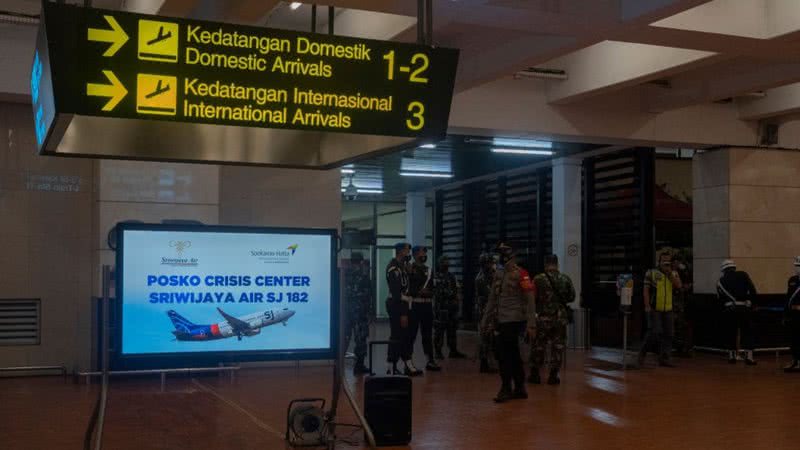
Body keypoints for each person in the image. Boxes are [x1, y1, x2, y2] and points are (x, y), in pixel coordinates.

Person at [480, 243, 536, 403]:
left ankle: (506, 387)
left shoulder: (521, 274)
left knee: (505, 355)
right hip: (500, 320)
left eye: (501, 254)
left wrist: (531, 325)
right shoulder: (498, 274)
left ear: (509, 255)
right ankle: (519, 387)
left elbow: (530, 300)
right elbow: (492, 299)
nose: (498, 257)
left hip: (514, 320)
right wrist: (485, 320)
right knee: (512, 354)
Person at [529, 254, 575, 386]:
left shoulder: (538, 279)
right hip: (560, 319)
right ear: (557, 264)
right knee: (558, 346)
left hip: (543, 318)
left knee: (538, 345)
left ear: (545, 263)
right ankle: (553, 376)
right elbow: (571, 297)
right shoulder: (565, 278)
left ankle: (535, 374)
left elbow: (532, 297)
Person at [638, 252, 682, 368]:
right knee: (654, 332)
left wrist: (669, 275)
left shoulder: (674, 273)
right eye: (664, 261)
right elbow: (646, 290)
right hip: (654, 308)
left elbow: (678, 286)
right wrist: (647, 305)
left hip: (668, 308)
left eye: (668, 261)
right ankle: (642, 353)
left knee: (669, 334)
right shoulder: (651, 273)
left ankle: (664, 358)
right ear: (659, 261)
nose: (666, 263)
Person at [385, 242, 421, 376]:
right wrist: (403, 313)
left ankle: (407, 362)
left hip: (405, 304)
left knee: (405, 335)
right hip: (397, 305)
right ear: (400, 251)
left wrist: (410, 272)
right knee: (396, 334)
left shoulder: (403, 267)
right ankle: (391, 365)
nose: (408, 253)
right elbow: (396, 293)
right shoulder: (393, 268)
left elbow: (409, 287)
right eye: (407, 250)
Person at [717, 260, 758, 365]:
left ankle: (732, 356)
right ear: (734, 267)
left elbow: (720, 299)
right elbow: (752, 290)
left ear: (723, 270)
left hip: (729, 309)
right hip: (744, 308)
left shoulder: (720, 281)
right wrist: (752, 303)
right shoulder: (743, 275)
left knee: (730, 332)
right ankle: (749, 357)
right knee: (748, 331)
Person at [407, 246, 441, 373]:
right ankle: (408, 362)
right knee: (412, 335)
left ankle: (430, 361)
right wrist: (418, 292)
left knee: (427, 335)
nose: (424, 255)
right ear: (415, 254)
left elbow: (435, 288)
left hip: (427, 306)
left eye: (425, 253)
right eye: (422, 253)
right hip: (415, 305)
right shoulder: (410, 269)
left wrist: (430, 292)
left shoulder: (429, 270)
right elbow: (406, 288)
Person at [433, 256, 467, 360]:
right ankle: (438, 352)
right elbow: (439, 292)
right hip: (441, 308)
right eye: (444, 262)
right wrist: (452, 294)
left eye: (447, 262)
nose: (446, 264)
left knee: (452, 330)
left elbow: (457, 289)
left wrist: (456, 299)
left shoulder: (451, 276)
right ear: (440, 264)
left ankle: (453, 350)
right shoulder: (436, 276)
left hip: (452, 308)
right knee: (439, 330)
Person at [344, 252, 372, 375]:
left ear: (351, 261)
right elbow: (369, 293)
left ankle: (339, 363)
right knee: (360, 338)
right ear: (361, 261)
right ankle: (359, 365)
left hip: (346, 310)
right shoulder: (364, 273)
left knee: (345, 337)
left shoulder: (344, 274)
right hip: (360, 311)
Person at [475, 252, 498, 373]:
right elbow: (491, 294)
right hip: (485, 312)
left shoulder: (489, 275)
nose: (493, 265)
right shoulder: (482, 279)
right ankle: (484, 364)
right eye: (490, 262)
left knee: (491, 337)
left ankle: (489, 362)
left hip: (489, 311)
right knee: (485, 338)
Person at [783, 256, 800, 373]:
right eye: (797, 266)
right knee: (794, 338)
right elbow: (788, 298)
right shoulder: (792, 280)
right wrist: (786, 315)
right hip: (794, 314)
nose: (797, 269)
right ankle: (796, 360)